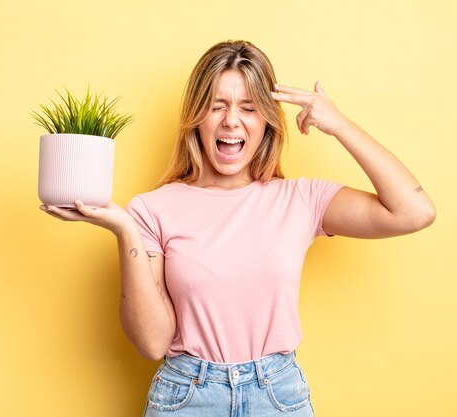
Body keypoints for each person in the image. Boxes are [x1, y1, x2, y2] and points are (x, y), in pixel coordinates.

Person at [39, 40, 435, 416]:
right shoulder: (152, 209)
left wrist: (340, 125)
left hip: (278, 397)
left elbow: (414, 211)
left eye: (248, 107)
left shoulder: (300, 200)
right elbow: (152, 342)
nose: (231, 120)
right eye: (217, 106)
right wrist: (124, 231)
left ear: (266, 120)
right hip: (187, 396)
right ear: (197, 118)